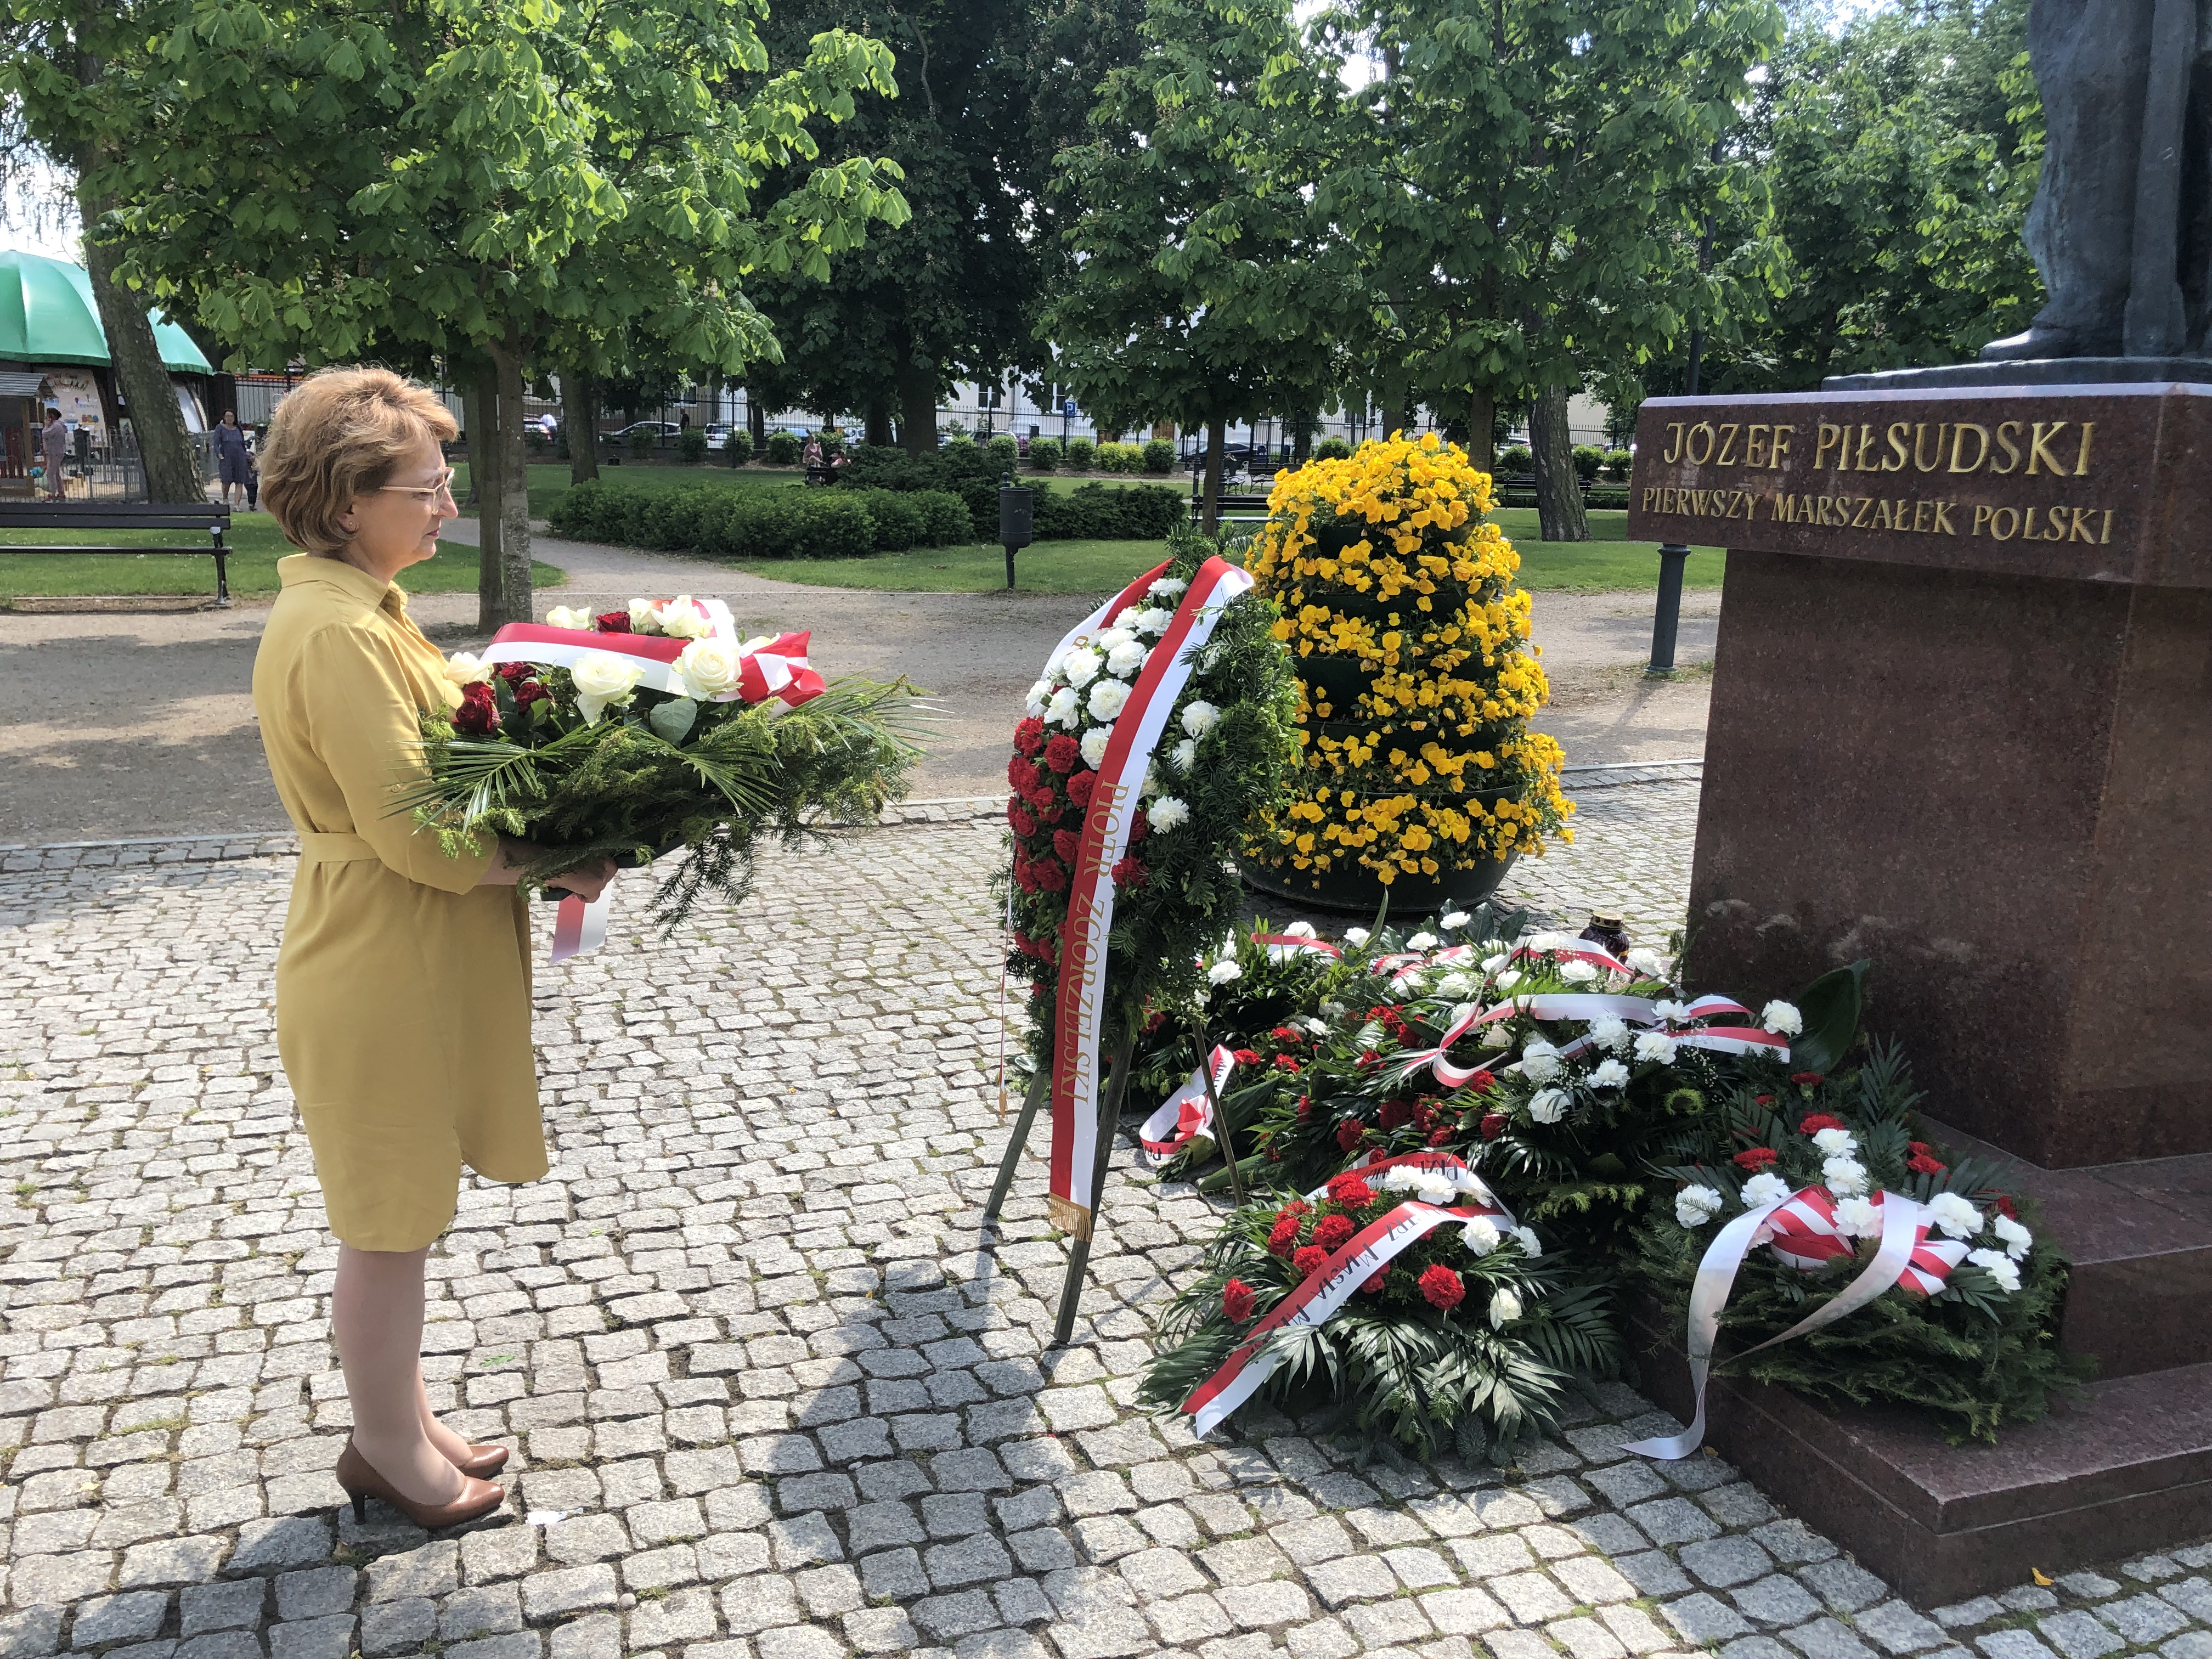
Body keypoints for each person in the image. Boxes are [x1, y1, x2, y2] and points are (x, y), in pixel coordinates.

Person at [252, 368, 615, 1529]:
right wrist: (553, 858)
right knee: (387, 1221)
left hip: (405, 950)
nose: (448, 506)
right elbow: (414, 832)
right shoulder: (334, 631)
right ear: (344, 499)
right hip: (380, 956)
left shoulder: (365, 606)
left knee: (403, 1211)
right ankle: (388, 1448)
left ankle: (398, 1421)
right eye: (426, 488)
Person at [214, 410, 252, 508]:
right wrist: (219, 454)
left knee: (240, 481)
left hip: (240, 458)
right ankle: (225, 499)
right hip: (227, 458)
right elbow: (216, 443)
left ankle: (236, 505)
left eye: (231, 416)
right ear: (224, 417)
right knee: (226, 481)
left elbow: (243, 444)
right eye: (227, 416)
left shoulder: (238, 428)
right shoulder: (220, 428)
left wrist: (247, 455)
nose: (229, 418)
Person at [39, 406, 67, 501]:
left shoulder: (56, 426)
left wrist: (46, 426)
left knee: (50, 473)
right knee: (56, 473)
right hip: (53, 452)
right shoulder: (57, 426)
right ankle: (61, 492)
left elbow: (45, 434)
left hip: (55, 453)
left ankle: (52, 493)